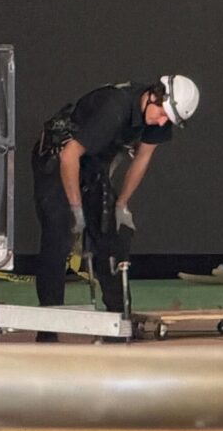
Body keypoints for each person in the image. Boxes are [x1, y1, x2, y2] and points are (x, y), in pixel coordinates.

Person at [31, 75, 201, 312]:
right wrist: (76, 210)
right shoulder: (114, 108)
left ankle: (120, 318)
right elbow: (69, 155)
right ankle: (50, 321)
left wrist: (121, 204)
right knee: (59, 232)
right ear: (154, 95)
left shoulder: (158, 118)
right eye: (163, 114)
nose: (162, 122)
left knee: (110, 236)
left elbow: (142, 159)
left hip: (92, 164)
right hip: (59, 159)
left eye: (169, 120)